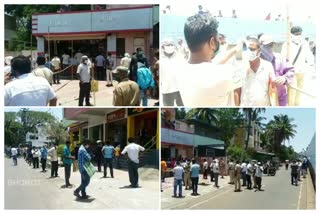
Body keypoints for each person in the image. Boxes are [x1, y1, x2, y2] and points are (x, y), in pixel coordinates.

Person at [177, 13, 238, 106]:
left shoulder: (179, 71)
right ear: (212, 42)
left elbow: (210, 67)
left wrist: (233, 51)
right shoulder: (227, 73)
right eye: (217, 39)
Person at [235, 37, 276, 106]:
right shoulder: (240, 67)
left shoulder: (267, 66)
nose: (249, 52)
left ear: (259, 50)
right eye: (247, 49)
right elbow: (237, 90)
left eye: (252, 49)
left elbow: (272, 88)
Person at [281, 26, 315, 106]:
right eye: (296, 34)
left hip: (302, 70)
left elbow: (309, 55)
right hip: (291, 71)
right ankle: (291, 105)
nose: (298, 35)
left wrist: (312, 66)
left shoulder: (304, 43)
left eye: (299, 34)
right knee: (292, 90)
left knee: (300, 89)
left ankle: (297, 104)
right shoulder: (287, 44)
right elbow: (282, 58)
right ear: (291, 34)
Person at [259, 34, 294, 106]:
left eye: (271, 44)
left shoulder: (280, 57)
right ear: (260, 46)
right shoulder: (256, 60)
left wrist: (284, 78)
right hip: (263, 98)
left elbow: (291, 70)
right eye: (267, 45)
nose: (270, 47)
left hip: (280, 97)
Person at [161, 39, 184, 106]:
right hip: (166, 89)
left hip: (180, 89)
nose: (170, 46)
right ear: (163, 47)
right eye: (168, 45)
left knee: (182, 106)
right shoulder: (161, 58)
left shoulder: (180, 57)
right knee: (168, 108)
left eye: (171, 45)